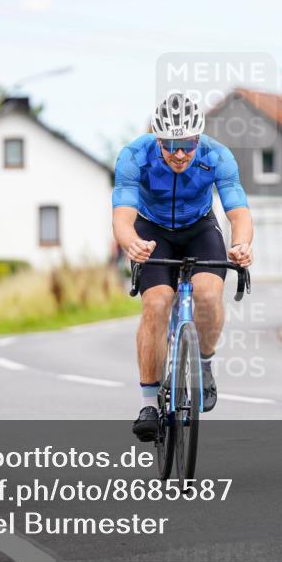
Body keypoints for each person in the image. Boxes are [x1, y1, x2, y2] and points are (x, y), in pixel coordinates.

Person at [112, 92, 254, 442]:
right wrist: (132, 243)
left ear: (198, 139)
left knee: (207, 295)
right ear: (158, 139)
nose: (180, 154)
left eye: (188, 145)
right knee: (157, 303)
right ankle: (149, 403)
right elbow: (122, 216)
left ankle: (203, 362)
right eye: (172, 145)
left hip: (199, 228)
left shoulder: (217, 156)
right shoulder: (134, 156)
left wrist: (241, 245)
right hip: (151, 230)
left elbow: (238, 213)